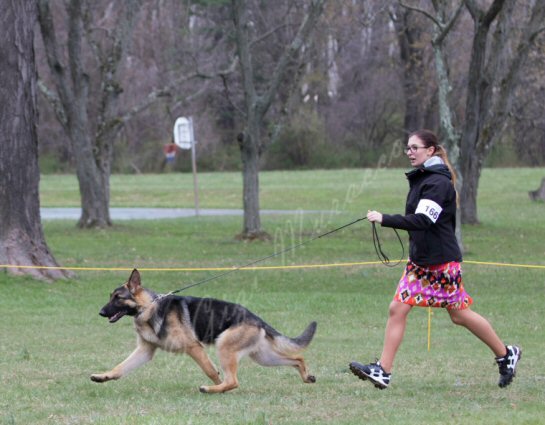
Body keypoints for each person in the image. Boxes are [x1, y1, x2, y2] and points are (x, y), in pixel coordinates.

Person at [349, 129, 521, 390]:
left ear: (430, 151)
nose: (410, 152)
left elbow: (423, 221)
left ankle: (506, 354)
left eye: (415, 148)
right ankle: (383, 371)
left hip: (441, 264)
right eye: (407, 148)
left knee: (459, 314)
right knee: (398, 308)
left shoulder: (437, 183)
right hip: (420, 263)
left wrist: (384, 219)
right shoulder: (423, 178)